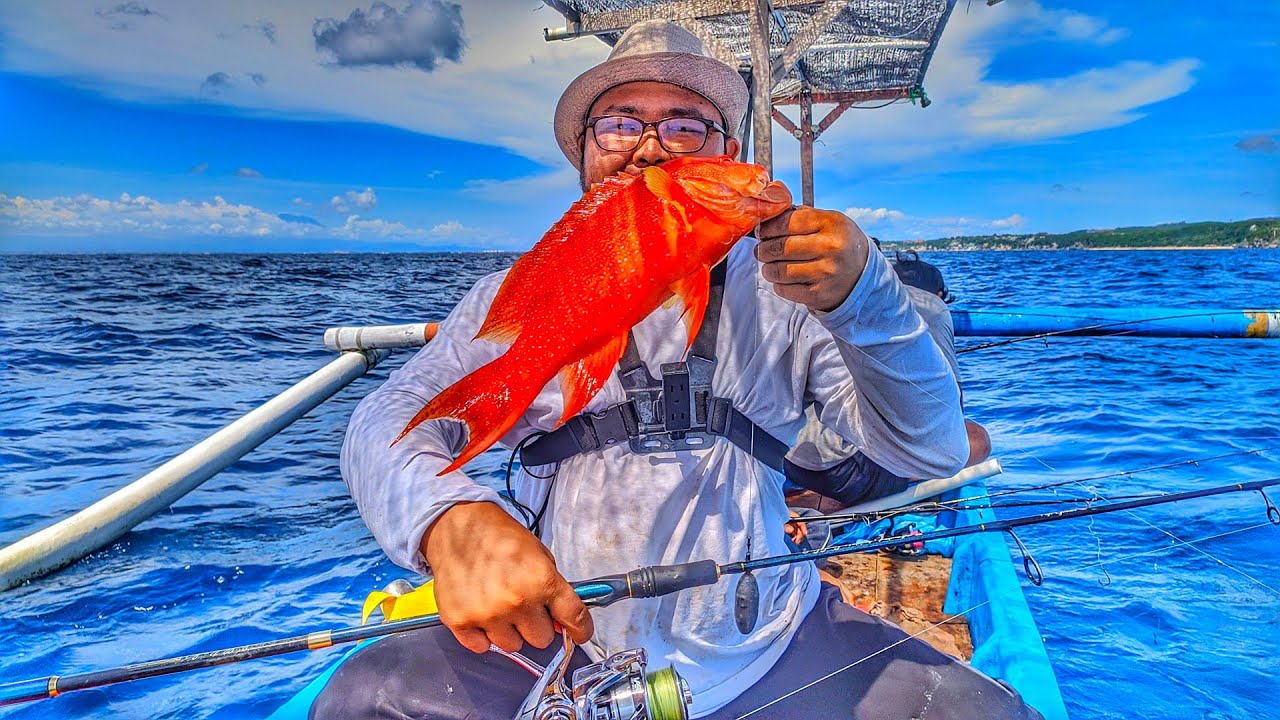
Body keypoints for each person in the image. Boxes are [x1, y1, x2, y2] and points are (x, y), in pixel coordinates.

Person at [316, 20, 1040, 720]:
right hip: (552, 646)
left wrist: (865, 299)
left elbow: (929, 452)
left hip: (770, 641)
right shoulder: (517, 295)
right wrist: (450, 521)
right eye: (619, 124)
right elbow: (384, 423)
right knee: (358, 701)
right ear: (585, 154)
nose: (650, 149)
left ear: (727, 151)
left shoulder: (792, 292)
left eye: (685, 126)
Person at [783, 249, 991, 518]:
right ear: (939, 294)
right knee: (976, 440)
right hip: (844, 472)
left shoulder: (835, 293)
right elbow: (950, 412)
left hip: (788, 456)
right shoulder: (931, 306)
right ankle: (832, 503)